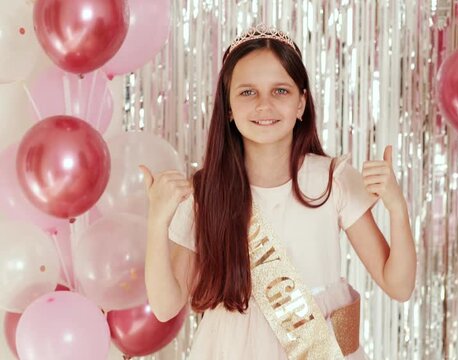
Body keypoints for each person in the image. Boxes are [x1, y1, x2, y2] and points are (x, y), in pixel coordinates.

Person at [141, 24, 416, 359]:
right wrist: (158, 221)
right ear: (228, 108)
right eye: (247, 92)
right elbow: (166, 307)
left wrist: (398, 209)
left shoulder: (333, 179)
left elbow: (398, 285)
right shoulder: (205, 193)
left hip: (318, 346)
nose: (264, 104)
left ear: (301, 103)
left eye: (280, 91)